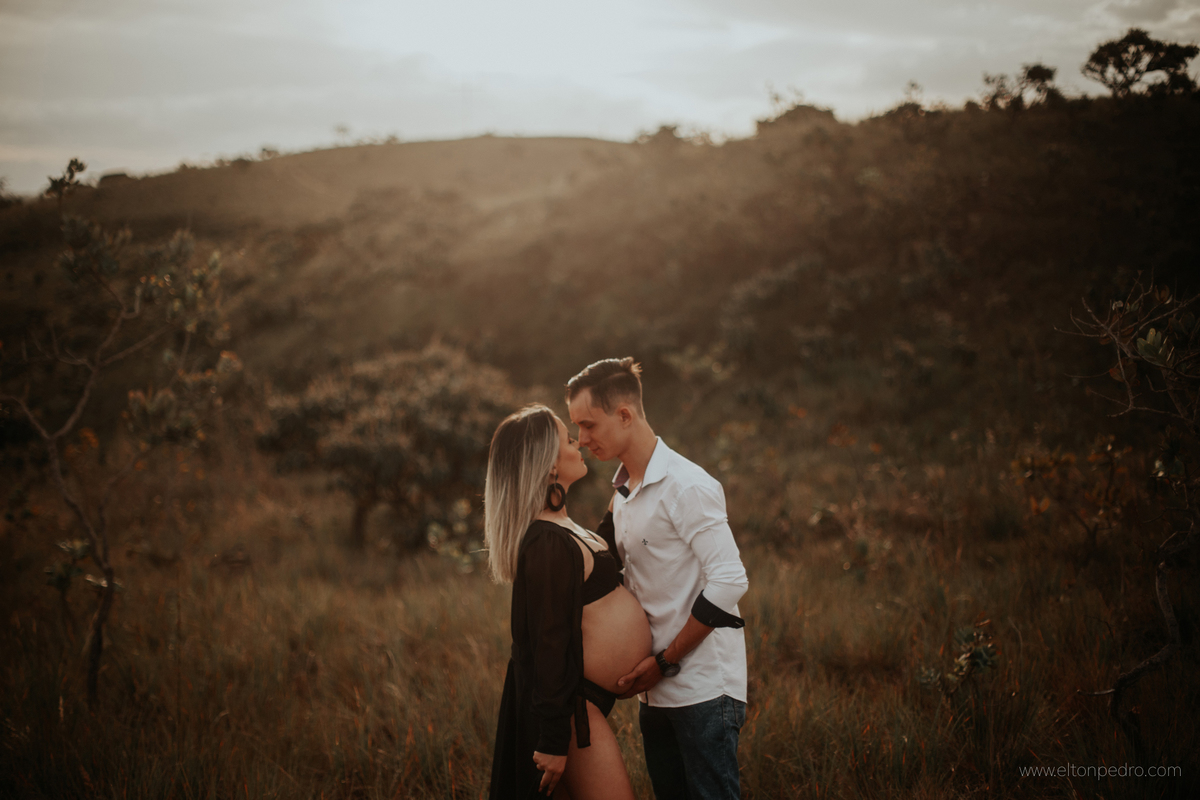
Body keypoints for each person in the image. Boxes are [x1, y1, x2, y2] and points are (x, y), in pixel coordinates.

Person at [566, 358, 749, 800]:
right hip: (654, 693)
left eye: (588, 425)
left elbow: (729, 580)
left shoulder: (686, 485)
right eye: (576, 428)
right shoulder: (623, 494)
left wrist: (664, 661)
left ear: (625, 415)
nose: (582, 439)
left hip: (703, 689)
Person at [485, 404, 652, 799]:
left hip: (580, 703)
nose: (578, 443)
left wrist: (630, 475)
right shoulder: (546, 541)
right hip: (570, 709)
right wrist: (553, 741)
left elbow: (598, 561)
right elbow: (549, 642)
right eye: (567, 439)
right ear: (548, 465)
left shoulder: (561, 527)